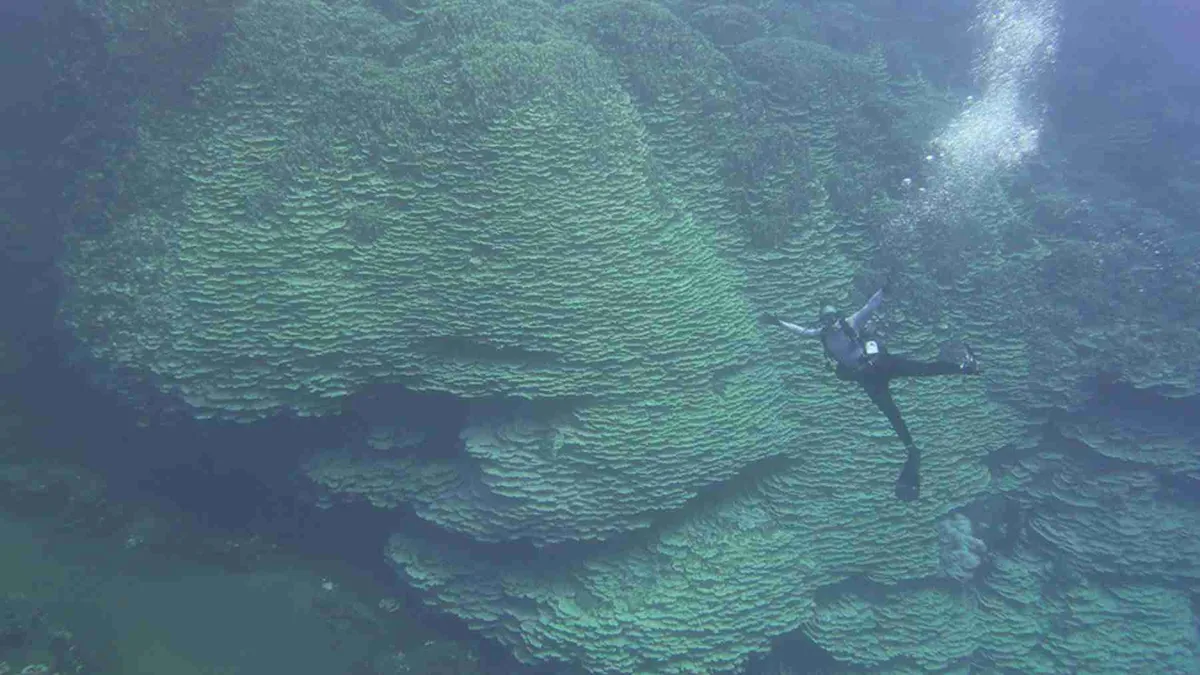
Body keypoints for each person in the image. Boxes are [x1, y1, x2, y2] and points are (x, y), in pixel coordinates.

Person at [760, 287, 979, 502]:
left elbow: (869, 306)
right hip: (868, 376)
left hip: (878, 366)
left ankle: (964, 368)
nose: (832, 323)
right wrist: (777, 322)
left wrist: (885, 289)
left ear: (839, 316)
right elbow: (800, 330)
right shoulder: (823, 334)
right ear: (823, 322)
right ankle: (911, 447)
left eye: (834, 317)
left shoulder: (851, 323)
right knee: (890, 411)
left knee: (921, 369)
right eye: (827, 320)